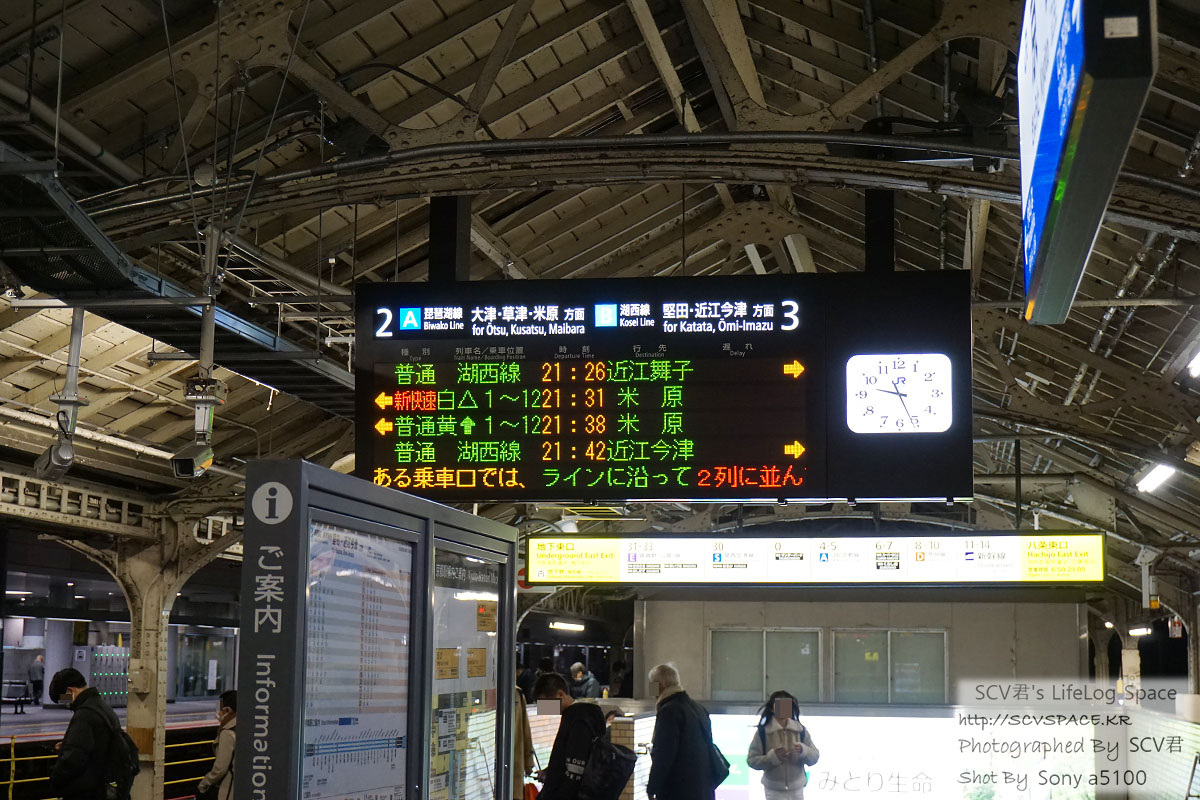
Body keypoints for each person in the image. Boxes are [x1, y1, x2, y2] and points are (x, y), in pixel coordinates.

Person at [47, 668, 120, 800]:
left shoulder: (84, 715)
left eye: (63, 700)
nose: (66, 705)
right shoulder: (103, 708)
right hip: (102, 787)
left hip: (86, 792)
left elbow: (73, 759)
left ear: (70, 691)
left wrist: (55, 780)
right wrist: (68, 744)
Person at [646, 663, 715, 800]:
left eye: (652, 686)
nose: (651, 691)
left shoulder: (668, 711)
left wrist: (652, 787)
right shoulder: (698, 708)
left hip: (679, 790)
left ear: (659, 686)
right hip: (703, 788)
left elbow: (664, 754)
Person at [533, 672, 604, 800]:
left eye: (546, 703)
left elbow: (575, 767)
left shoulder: (578, 719)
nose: (545, 709)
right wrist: (549, 771)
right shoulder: (578, 715)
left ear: (560, 694)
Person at [746, 690, 819, 800]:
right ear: (772, 709)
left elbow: (815, 757)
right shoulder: (763, 732)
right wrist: (772, 757)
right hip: (773, 790)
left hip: (797, 789)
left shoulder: (800, 730)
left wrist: (803, 751)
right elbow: (752, 760)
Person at [196, 690, 237, 800]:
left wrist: (204, 783)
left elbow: (220, 768)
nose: (218, 713)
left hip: (228, 789)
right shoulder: (241, 728)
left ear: (228, 710)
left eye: (220, 709)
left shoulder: (228, 733)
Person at [513, 684, 536, 799]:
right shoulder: (516, 693)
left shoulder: (516, 693)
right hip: (513, 769)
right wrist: (528, 763)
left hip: (512, 769)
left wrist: (528, 761)